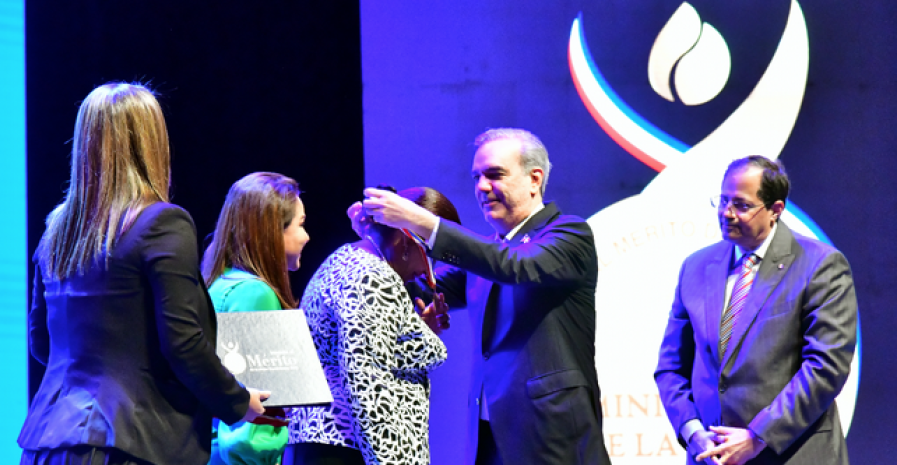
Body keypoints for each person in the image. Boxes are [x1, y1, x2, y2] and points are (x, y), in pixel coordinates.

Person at [18, 82, 269, 465]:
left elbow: (41, 341)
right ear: (152, 143)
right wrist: (237, 401)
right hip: (127, 445)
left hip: (47, 443)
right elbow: (183, 344)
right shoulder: (162, 222)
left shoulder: (56, 228)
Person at [358, 128, 610, 464]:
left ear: (535, 180)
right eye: (477, 177)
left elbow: (515, 267)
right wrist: (376, 239)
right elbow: (416, 288)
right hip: (492, 436)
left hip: (553, 435)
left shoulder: (568, 234)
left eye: (495, 175)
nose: (482, 187)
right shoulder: (490, 254)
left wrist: (422, 221)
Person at [654, 156, 857, 465]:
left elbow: (825, 367)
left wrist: (758, 436)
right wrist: (694, 432)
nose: (726, 213)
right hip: (712, 457)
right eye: (722, 201)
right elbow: (671, 367)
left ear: (776, 209)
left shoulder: (820, 265)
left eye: (741, 205)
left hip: (792, 455)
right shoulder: (695, 267)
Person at [284, 186, 457, 465]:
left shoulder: (352, 260)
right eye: (431, 254)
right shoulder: (371, 276)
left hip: (332, 446)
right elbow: (366, 384)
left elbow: (370, 354)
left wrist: (419, 332)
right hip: (344, 449)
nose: (430, 272)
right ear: (406, 238)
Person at [202, 172, 310, 465]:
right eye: (301, 225)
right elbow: (255, 429)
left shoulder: (219, 283)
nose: (307, 236)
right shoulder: (256, 294)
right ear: (274, 231)